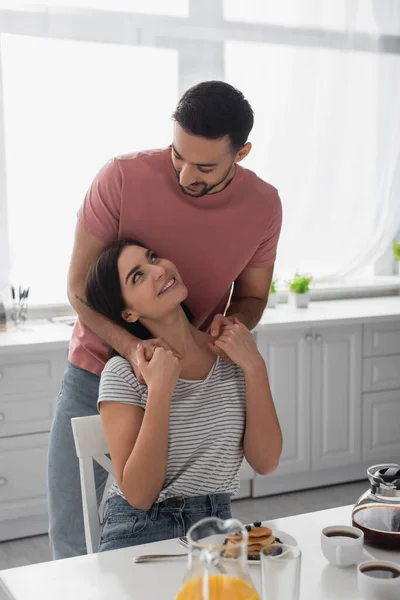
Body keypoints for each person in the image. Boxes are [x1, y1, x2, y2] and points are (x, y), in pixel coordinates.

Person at [47, 80, 282, 559]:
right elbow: (79, 289)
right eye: (178, 155)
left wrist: (221, 345)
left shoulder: (263, 206)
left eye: (204, 166)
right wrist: (134, 351)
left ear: (242, 153)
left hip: (194, 366)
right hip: (99, 365)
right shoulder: (122, 177)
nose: (184, 176)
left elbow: (253, 296)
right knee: (73, 529)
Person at [85, 239, 282, 551]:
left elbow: (266, 462)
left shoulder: (234, 356)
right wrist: (160, 390)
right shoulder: (124, 373)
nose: (159, 270)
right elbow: (139, 494)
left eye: (153, 258)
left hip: (217, 528)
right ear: (128, 314)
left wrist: (255, 367)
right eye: (138, 276)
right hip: (140, 529)